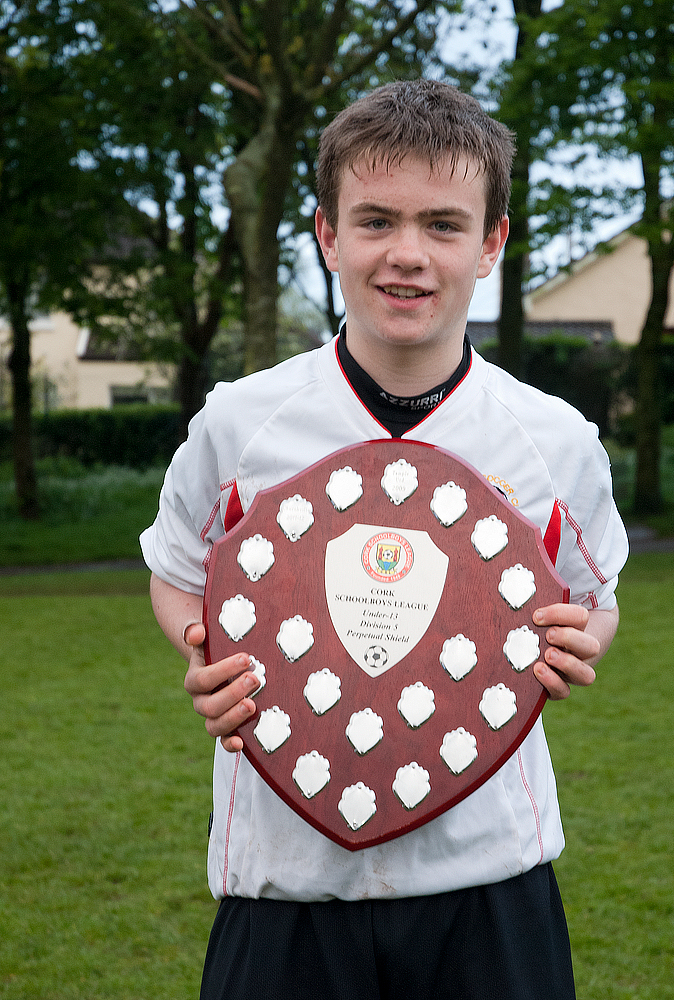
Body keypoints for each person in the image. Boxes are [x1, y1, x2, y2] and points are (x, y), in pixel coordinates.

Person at [141, 78, 628, 1000]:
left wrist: (578, 644)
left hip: (489, 883)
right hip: (283, 886)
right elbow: (176, 574)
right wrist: (200, 648)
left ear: (492, 244)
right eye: (376, 221)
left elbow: (592, 603)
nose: (408, 255)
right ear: (327, 233)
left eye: (444, 225)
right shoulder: (238, 423)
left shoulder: (557, 441)